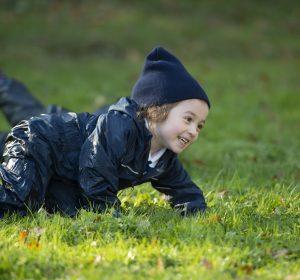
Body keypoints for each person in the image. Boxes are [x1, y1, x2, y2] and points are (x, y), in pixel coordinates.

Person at [0, 46, 211, 218]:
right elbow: (95, 171)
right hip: (38, 141)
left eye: (199, 125)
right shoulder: (121, 127)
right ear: (157, 110)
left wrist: (198, 212)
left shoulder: (164, 158)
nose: (193, 131)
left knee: (68, 212)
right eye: (188, 119)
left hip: (65, 174)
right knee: (18, 201)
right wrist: (110, 214)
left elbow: (183, 189)